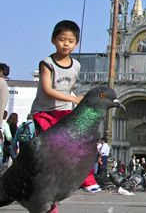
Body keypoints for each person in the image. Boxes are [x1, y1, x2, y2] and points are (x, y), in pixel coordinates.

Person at [29, 20, 100, 193]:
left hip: (64, 111)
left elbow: (69, 87)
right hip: (44, 112)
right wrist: (74, 99)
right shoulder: (47, 63)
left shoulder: (76, 66)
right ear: (53, 40)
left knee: (79, 144)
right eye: (62, 39)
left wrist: (71, 102)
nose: (65, 44)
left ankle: (86, 179)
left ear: (76, 44)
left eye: (70, 41)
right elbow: (47, 90)